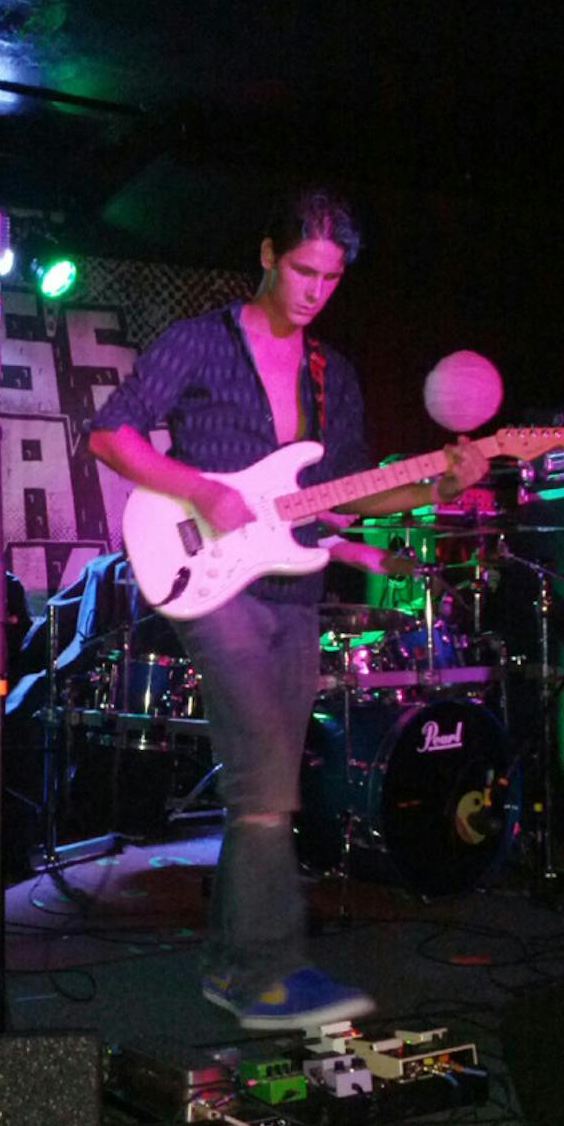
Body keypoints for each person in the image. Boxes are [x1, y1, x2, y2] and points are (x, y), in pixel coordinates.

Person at [88, 187, 488, 1029]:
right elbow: (112, 434)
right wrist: (200, 489)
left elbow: (343, 498)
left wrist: (438, 482)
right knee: (265, 770)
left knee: (268, 781)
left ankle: (234, 963)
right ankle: (266, 970)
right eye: (303, 270)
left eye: (332, 278)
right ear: (269, 254)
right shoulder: (201, 341)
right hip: (206, 576)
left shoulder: (330, 374)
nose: (315, 290)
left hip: (292, 589)